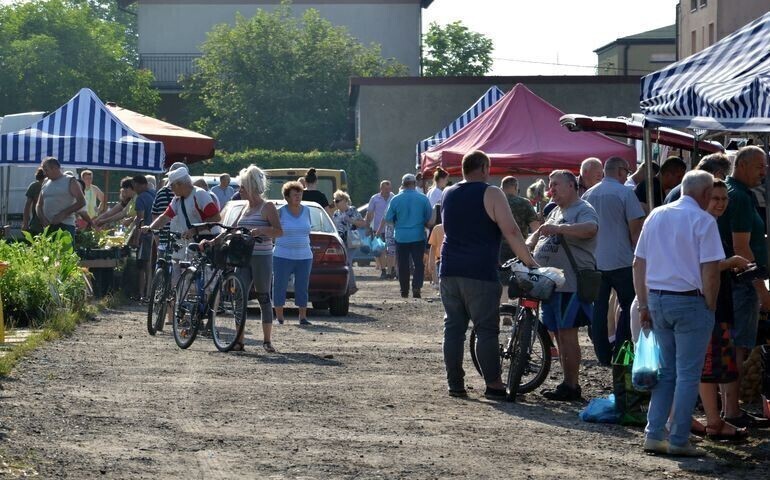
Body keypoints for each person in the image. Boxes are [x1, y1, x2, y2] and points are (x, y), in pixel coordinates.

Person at [633, 170, 723, 457]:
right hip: (690, 301)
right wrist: (710, 304)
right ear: (706, 194)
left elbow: (638, 263)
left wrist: (644, 304)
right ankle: (679, 438)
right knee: (687, 375)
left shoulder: (656, 215)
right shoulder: (704, 221)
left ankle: (654, 433)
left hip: (657, 300)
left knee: (667, 374)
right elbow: (710, 272)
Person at [440, 150, 538, 400]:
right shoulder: (491, 193)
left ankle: (455, 384)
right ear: (484, 168)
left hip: (449, 270)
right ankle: (493, 384)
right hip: (479, 271)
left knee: (453, 328)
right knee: (486, 329)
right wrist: (530, 262)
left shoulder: (448, 193)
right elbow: (512, 231)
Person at [528, 170, 599, 401]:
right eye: (550, 184)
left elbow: (591, 229)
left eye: (556, 184)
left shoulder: (583, 208)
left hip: (571, 284)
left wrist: (560, 229)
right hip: (554, 285)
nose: (552, 189)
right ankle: (566, 383)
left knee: (568, 335)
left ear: (571, 186)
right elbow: (539, 236)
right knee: (559, 335)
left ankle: (572, 385)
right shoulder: (556, 211)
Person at [717, 145, 770, 428]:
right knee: (737, 348)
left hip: (731, 283)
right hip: (741, 285)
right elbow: (741, 249)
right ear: (744, 165)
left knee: (732, 347)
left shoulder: (733, 193)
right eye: (761, 166)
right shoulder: (738, 197)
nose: (765, 171)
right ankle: (732, 411)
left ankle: (729, 408)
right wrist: (762, 290)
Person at [695, 180, 750, 441]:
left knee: (717, 364)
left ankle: (716, 418)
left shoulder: (713, 225)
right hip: (709, 305)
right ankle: (714, 423)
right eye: (715, 198)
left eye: (723, 199)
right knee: (709, 365)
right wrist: (731, 263)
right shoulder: (703, 225)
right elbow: (704, 266)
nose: (720, 203)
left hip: (719, 303)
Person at [582, 157, 645, 366]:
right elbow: (635, 231)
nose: (627, 175)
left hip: (595, 260)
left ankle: (602, 355)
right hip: (622, 260)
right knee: (628, 307)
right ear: (619, 171)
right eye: (626, 171)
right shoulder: (626, 193)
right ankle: (623, 354)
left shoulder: (588, 194)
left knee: (599, 308)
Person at [229, 166, 282, 352]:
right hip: (243, 257)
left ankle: (267, 340)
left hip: (262, 256)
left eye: (242, 187)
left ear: (251, 187)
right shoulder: (244, 208)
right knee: (238, 297)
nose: (239, 191)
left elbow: (279, 231)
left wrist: (262, 230)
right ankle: (239, 340)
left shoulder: (267, 207)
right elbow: (233, 228)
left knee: (263, 297)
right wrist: (217, 239)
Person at [385, 173, 433, 299]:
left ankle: (404, 291)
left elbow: (388, 218)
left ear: (403, 184)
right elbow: (429, 217)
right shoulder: (423, 199)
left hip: (401, 237)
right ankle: (416, 287)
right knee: (418, 264)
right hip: (418, 236)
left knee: (403, 264)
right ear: (414, 183)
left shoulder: (395, 199)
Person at [273, 181, 314, 325]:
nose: (298, 197)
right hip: (282, 255)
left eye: (300, 194)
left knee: (302, 286)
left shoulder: (307, 210)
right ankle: (279, 317)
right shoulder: (280, 212)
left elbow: (309, 229)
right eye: (295, 195)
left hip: (304, 256)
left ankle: (302, 317)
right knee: (280, 285)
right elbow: (274, 231)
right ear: (287, 197)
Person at [36, 157, 86, 239]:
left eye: (46, 170)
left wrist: (63, 214)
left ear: (55, 168)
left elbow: (81, 202)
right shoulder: (45, 182)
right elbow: (38, 205)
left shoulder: (70, 180)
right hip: (48, 227)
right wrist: (42, 219)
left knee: (66, 251)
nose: (44, 173)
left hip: (65, 226)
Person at [332, 190, 366, 295]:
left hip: (351, 241)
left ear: (345, 200)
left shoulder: (352, 210)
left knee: (347, 262)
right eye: (335, 201)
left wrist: (350, 221)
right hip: (340, 242)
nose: (335, 203)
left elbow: (362, 223)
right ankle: (344, 286)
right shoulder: (336, 213)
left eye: (338, 200)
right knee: (341, 264)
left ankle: (352, 286)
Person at [499, 176, 540, 263]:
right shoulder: (524, 203)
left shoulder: (495, 203)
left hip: (497, 249)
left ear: (501, 188)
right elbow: (536, 229)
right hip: (519, 249)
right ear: (516, 187)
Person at [664, 153, 732, 204]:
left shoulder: (687, 187)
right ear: (718, 174)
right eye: (724, 177)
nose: (724, 181)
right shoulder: (697, 192)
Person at [132, 175, 157, 302]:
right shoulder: (155, 194)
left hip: (145, 234)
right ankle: (150, 293)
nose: (134, 188)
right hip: (156, 233)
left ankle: (144, 294)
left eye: (135, 186)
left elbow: (140, 220)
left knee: (143, 265)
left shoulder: (141, 198)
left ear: (141, 184)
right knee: (152, 265)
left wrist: (136, 238)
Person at [365, 180, 395, 279]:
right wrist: (367, 226)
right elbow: (369, 214)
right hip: (378, 229)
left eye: (389, 189)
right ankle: (383, 270)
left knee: (391, 250)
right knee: (381, 250)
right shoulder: (374, 198)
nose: (388, 191)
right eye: (386, 189)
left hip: (391, 229)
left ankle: (392, 269)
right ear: (381, 188)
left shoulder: (393, 197)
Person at [22, 167, 46, 235]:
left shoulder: (34, 186)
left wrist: (25, 223)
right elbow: (27, 206)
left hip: (36, 224)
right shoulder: (35, 186)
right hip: (47, 222)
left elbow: (27, 206)